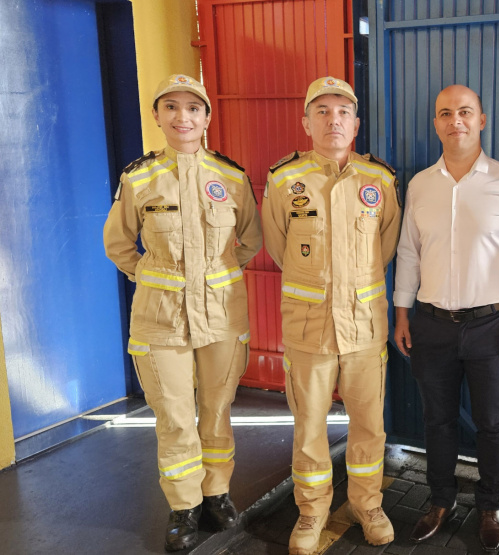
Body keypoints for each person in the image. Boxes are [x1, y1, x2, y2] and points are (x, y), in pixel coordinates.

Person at [103, 74, 263, 551]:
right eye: (170, 107)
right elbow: (117, 244)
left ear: (207, 117)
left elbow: (250, 240)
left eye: (193, 108)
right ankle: (183, 507)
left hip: (221, 316)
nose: (182, 117)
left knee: (216, 409)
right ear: (157, 116)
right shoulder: (139, 178)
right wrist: (156, 276)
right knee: (173, 415)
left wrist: (214, 276)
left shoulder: (231, 177)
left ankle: (215, 495)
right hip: (160, 318)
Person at [393, 85, 499, 552]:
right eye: (444, 113)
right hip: (432, 324)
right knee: (437, 421)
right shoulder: (419, 185)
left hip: (493, 327)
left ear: (482, 120)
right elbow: (408, 254)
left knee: (491, 423)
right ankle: (441, 500)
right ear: (435, 124)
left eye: (464, 112)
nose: (454, 120)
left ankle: (490, 505)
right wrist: (402, 313)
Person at [261, 76, 402, 555]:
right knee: (309, 427)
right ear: (306, 122)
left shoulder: (379, 180)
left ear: (356, 123)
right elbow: (280, 250)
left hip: (363, 328)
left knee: (369, 425)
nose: (333, 119)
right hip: (309, 329)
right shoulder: (284, 180)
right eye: (322, 111)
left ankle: (368, 504)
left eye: (343, 111)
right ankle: (312, 511)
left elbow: (385, 247)